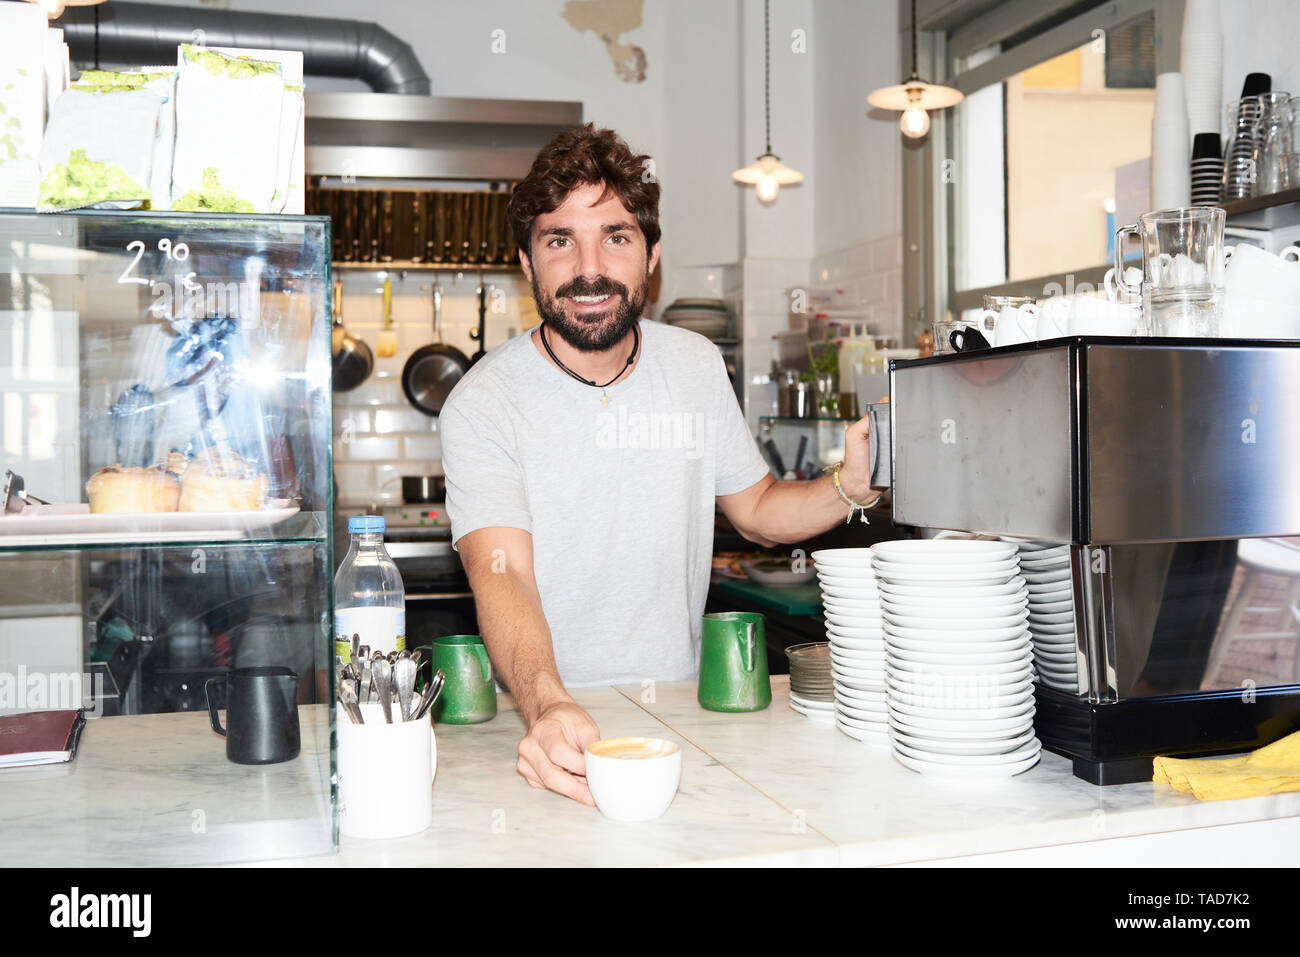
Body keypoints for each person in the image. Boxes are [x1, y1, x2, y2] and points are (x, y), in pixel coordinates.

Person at [439, 124, 882, 806]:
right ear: (527, 265)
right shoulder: (483, 402)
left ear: (651, 256)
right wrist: (549, 703)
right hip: (543, 731)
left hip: (684, 718)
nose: (590, 268)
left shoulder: (695, 366)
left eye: (615, 236)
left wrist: (847, 486)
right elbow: (504, 573)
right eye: (560, 240)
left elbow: (758, 509)